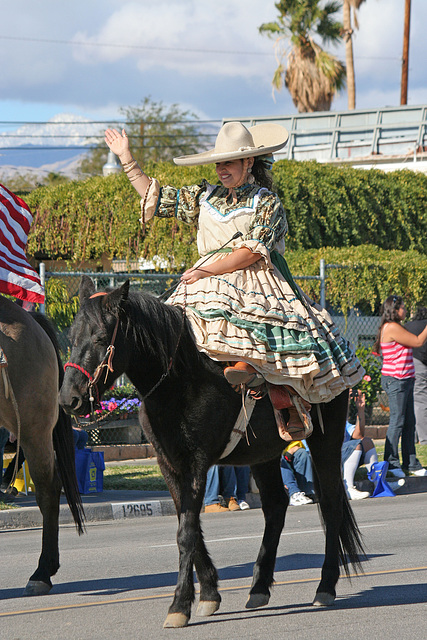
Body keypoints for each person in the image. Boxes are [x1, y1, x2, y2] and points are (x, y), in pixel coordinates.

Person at [105, 122, 364, 438]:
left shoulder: (267, 202)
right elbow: (156, 197)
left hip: (255, 277)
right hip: (204, 278)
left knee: (273, 329)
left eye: (228, 162)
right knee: (172, 335)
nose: (221, 169)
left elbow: (252, 251)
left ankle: (287, 398)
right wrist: (127, 159)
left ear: (249, 161)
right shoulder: (204, 196)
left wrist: (207, 271)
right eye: (218, 162)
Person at [373, 295, 427, 477]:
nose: (405, 310)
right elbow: (418, 341)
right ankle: (391, 463)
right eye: (403, 307)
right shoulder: (392, 327)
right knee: (397, 421)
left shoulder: (396, 327)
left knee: (409, 422)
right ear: (395, 310)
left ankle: (411, 463)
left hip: (406, 379)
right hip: (396, 380)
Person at [404, 306, 427, 445]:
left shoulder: (407, 326)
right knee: (421, 401)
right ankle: (424, 438)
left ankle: (413, 437)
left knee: (414, 400)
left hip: (409, 363)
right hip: (421, 363)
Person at [280, 441, 315, 506]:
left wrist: (294, 448)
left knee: (302, 453)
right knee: (279, 459)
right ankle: (294, 493)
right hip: (274, 453)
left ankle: (308, 493)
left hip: (289, 450)